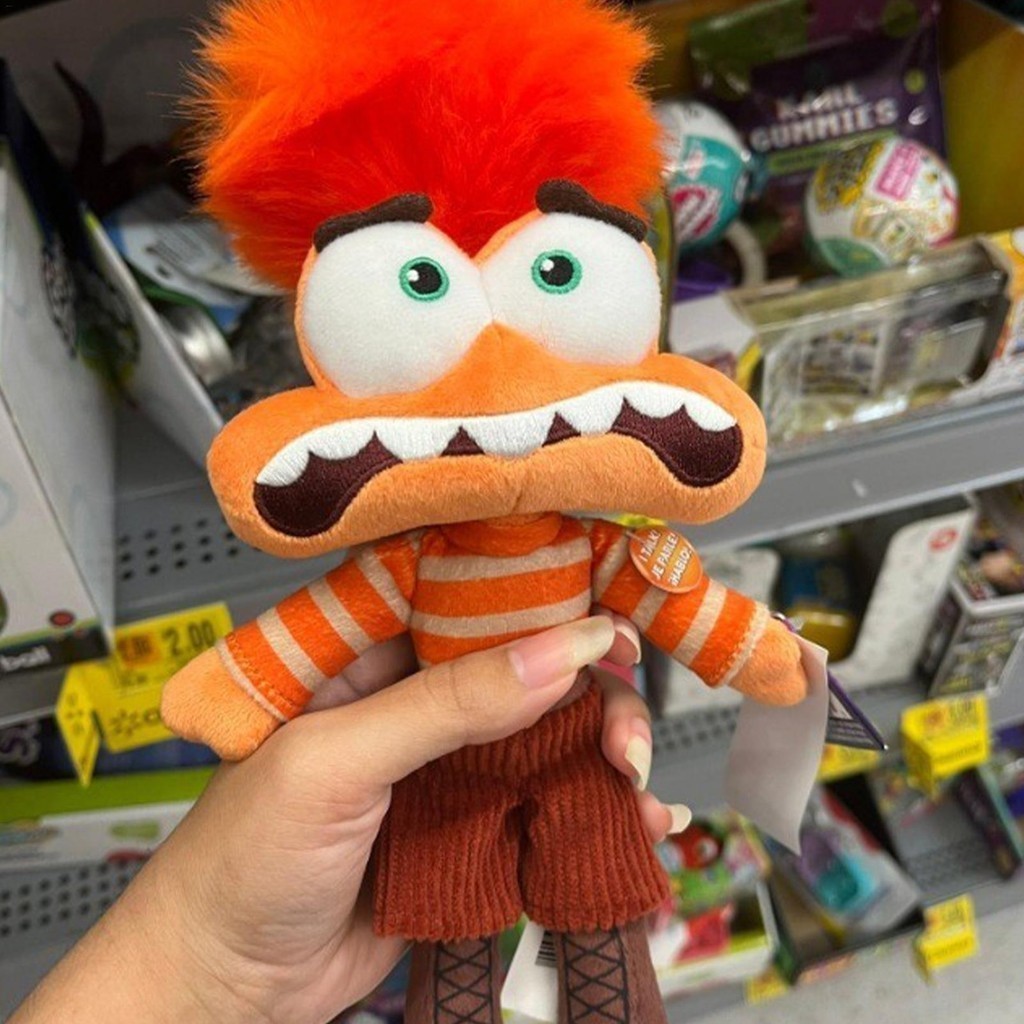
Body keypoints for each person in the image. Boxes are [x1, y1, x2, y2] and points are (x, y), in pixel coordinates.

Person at [12, 616, 688, 1024]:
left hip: (525, 764)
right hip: (461, 770)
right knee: (473, 924)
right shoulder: (414, 558)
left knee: (561, 898)